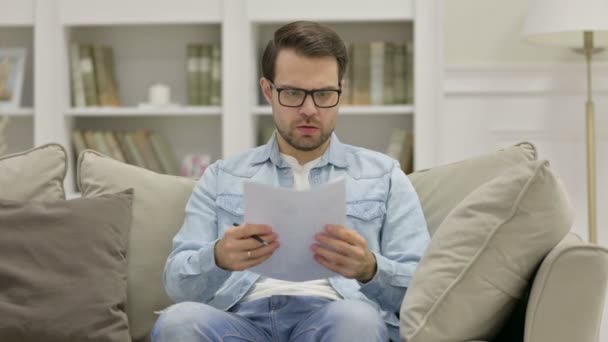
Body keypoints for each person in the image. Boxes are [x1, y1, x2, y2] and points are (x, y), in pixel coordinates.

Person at [152, 21, 429, 342]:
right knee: (179, 321)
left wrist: (371, 269)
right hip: (239, 322)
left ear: (341, 91)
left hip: (338, 316)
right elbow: (176, 284)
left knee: (357, 318)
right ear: (268, 91)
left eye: (324, 93)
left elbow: (424, 291)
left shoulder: (384, 175)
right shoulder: (222, 176)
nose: (309, 110)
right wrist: (217, 258)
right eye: (293, 93)